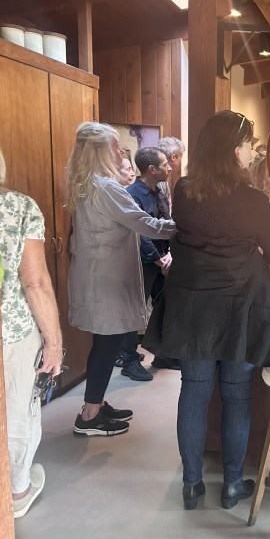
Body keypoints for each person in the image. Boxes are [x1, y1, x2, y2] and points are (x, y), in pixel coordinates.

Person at [142, 110, 270, 510]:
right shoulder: (252, 199)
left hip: (193, 306)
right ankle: (232, 484)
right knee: (236, 396)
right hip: (239, 308)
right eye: (249, 145)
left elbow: (192, 235)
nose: (252, 152)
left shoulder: (184, 190)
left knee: (193, 394)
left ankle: (192, 485)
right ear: (236, 150)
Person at [66, 122, 175, 437]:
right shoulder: (107, 188)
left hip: (99, 276)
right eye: (115, 146)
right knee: (106, 343)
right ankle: (89, 416)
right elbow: (145, 224)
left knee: (105, 341)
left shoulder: (88, 184)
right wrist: (184, 228)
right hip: (106, 280)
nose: (120, 151)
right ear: (101, 150)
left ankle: (95, 404)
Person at [0, 139, 63, 518]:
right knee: (17, 407)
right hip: (10, 330)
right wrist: (53, 341)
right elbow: (34, 282)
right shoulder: (18, 206)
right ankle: (16, 490)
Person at [118, 147, 178, 374]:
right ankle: (129, 361)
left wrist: (171, 254)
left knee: (165, 307)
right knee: (136, 311)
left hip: (164, 261)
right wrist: (158, 260)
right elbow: (139, 232)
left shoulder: (159, 192)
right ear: (151, 169)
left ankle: (163, 355)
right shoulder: (132, 194)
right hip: (144, 262)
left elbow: (168, 224)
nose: (169, 167)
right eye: (165, 164)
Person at [156, 136, 185, 209]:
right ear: (173, 157)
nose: (181, 161)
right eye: (180, 157)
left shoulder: (161, 174)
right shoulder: (160, 178)